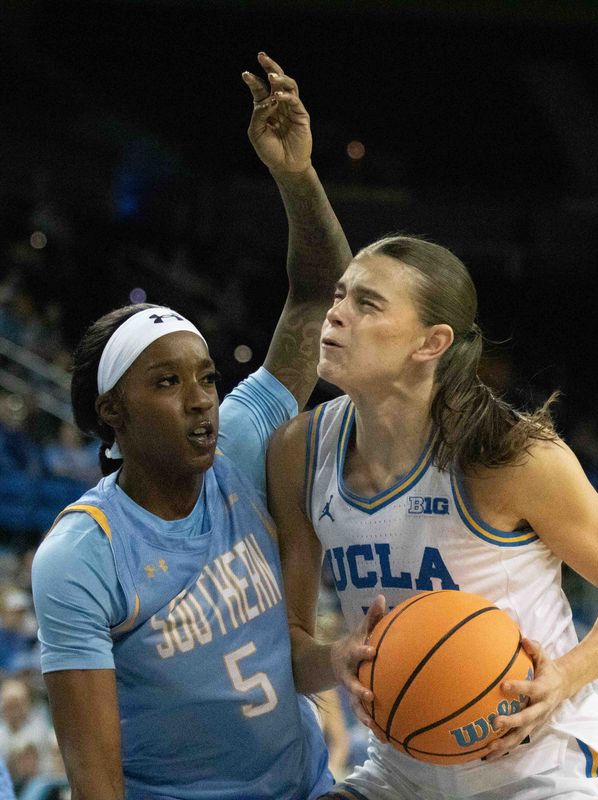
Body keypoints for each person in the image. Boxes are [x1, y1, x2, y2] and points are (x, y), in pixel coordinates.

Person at [30, 54, 352, 799]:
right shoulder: (82, 556)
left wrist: (296, 176)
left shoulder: (239, 438)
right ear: (113, 410)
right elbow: (94, 779)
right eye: (168, 384)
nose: (202, 398)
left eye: (206, 377)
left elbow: (315, 295)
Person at [267, 234, 598, 798]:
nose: (336, 313)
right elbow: (288, 652)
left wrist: (564, 677)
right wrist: (336, 659)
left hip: (542, 771)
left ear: (431, 342)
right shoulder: (298, 451)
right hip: (401, 774)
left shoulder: (510, 457)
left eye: (367, 303)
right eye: (339, 296)